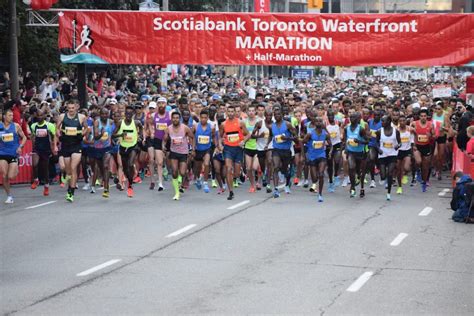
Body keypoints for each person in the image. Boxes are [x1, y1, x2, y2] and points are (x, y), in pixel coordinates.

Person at [56, 100, 90, 202]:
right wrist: (59, 135)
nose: (71, 110)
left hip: (76, 145)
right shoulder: (62, 117)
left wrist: (82, 134)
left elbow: (87, 128)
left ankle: (71, 192)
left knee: (73, 167)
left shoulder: (81, 117)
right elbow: (57, 128)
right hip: (66, 145)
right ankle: (68, 181)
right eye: (69, 108)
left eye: (72, 108)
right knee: (68, 170)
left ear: (76, 108)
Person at [219, 105, 249, 200]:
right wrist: (220, 145)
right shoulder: (223, 124)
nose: (231, 113)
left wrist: (243, 141)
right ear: (226, 112)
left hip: (238, 149)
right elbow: (220, 137)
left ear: (235, 112)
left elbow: (248, 134)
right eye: (229, 111)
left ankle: (240, 173)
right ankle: (231, 191)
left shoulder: (240, 123)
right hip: (228, 149)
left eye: (233, 111)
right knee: (228, 168)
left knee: (235, 173)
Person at [163, 111, 194, 201]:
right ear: (171, 119)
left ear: (179, 119)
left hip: (184, 152)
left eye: (177, 118)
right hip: (174, 152)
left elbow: (192, 137)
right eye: (174, 118)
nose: (175, 119)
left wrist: (192, 148)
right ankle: (177, 193)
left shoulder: (185, 128)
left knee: (183, 172)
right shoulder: (168, 129)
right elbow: (164, 140)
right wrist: (163, 146)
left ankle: (181, 179)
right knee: (174, 171)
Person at [113, 105, 143, 198]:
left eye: (130, 113)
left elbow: (141, 128)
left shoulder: (136, 122)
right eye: (127, 113)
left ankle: (130, 186)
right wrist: (121, 135)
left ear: (133, 114)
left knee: (130, 164)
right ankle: (129, 181)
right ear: (124, 114)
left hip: (133, 146)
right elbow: (113, 135)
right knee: (126, 169)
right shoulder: (120, 123)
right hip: (123, 147)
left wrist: (140, 136)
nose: (129, 115)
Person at [268, 106, 297, 198]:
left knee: (285, 170)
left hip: (286, 150)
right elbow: (270, 136)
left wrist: (287, 138)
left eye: (279, 114)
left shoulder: (288, 124)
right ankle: (276, 189)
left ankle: (288, 182)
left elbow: (296, 137)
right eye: (275, 115)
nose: (277, 116)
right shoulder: (272, 126)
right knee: (275, 167)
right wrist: (267, 145)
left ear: (282, 115)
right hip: (276, 149)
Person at [0, 109, 27, 203]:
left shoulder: (16, 126)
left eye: (12, 115)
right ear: (4, 116)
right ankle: (9, 196)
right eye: (9, 115)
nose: (11, 117)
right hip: (2, 153)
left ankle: (16, 168)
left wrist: (20, 146)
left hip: (13, 153)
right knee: (4, 175)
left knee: (11, 176)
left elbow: (24, 137)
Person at [303, 116, 332, 202]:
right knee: (314, 178)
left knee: (321, 174)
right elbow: (302, 142)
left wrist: (330, 152)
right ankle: (315, 183)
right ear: (314, 123)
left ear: (323, 123)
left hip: (321, 155)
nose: (319, 123)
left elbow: (330, 145)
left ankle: (320, 194)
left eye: (320, 121)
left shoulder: (325, 134)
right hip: (312, 157)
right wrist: (304, 154)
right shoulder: (310, 134)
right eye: (317, 121)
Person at [30, 109, 56, 196]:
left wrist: (54, 146)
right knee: (34, 164)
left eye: (41, 115)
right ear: (36, 116)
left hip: (46, 149)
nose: (39, 117)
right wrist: (33, 144)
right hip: (37, 149)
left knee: (45, 169)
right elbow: (33, 136)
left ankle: (46, 186)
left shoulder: (49, 125)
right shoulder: (33, 126)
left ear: (44, 116)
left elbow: (54, 137)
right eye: (38, 115)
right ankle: (36, 179)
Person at [148, 97, 171, 191]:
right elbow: (149, 123)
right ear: (157, 105)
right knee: (159, 162)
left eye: (163, 103)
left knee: (168, 161)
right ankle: (160, 183)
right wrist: (152, 131)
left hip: (169, 141)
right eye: (159, 103)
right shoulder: (153, 115)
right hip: (158, 140)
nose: (161, 105)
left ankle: (166, 167)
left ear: (166, 104)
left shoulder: (170, 115)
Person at [344, 112, 369, 198]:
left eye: (354, 117)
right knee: (351, 168)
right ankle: (352, 188)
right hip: (351, 152)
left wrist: (359, 141)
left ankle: (360, 183)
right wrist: (346, 149)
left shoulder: (361, 129)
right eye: (351, 117)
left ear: (358, 119)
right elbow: (345, 140)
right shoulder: (346, 128)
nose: (352, 119)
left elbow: (367, 141)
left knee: (359, 171)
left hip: (360, 153)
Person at [376, 115, 401, 201]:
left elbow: (400, 142)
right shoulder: (379, 131)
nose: (382, 123)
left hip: (392, 154)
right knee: (383, 175)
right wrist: (378, 149)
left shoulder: (396, 131)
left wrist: (398, 146)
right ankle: (383, 178)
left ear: (389, 121)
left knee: (390, 173)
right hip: (382, 155)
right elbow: (375, 143)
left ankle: (388, 193)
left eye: (383, 121)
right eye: (381, 121)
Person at [91, 107, 114, 198]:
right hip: (97, 148)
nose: (104, 116)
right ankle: (105, 179)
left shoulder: (111, 122)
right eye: (103, 114)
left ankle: (106, 188)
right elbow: (96, 137)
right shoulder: (96, 122)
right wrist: (101, 133)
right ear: (100, 115)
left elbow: (116, 130)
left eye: (106, 114)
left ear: (108, 114)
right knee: (101, 168)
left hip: (107, 148)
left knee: (105, 166)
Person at [411, 108, 434, 192]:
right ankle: (417, 172)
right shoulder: (414, 124)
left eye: (425, 116)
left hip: (426, 146)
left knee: (425, 167)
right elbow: (410, 135)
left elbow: (434, 136)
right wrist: (413, 144)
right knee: (418, 161)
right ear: (419, 117)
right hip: (417, 146)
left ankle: (424, 182)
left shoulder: (431, 125)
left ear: (427, 117)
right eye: (421, 116)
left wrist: (430, 135)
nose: (423, 117)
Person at [193, 109, 215, 193]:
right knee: (197, 168)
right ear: (199, 117)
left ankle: (205, 182)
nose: (203, 119)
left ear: (207, 118)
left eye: (205, 118)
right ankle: (198, 179)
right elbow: (193, 137)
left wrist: (216, 146)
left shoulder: (211, 127)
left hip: (207, 149)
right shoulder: (195, 126)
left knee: (206, 164)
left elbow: (213, 137)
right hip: (198, 149)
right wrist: (193, 148)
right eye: (202, 118)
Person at [243, 103, 261, 193]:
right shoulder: (244, 122)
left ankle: (259, 179)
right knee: (249, 168)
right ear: (247, 112)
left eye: (252, 111)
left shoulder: (259, 121)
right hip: (247, 147)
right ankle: (252, 185)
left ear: (255, 112)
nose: (251, 112)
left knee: (254, 167)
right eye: (249, 111)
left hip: (257, 147)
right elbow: (242, 133)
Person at [396, 115, 413, 194]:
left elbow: (416, 135)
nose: (402, 122)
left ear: (406, 121)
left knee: (406, 167)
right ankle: (399, 187)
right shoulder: (396, 130)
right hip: (398, 151)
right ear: (399, 122)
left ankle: (405, 174)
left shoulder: (410, 129)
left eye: (404, 120)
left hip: (407, 150)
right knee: (399, 170)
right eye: (401, 121)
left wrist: (414, 145)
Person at [326, 110, 343, 192]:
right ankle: (330, 182)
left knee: (337, 160)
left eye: (332, 115)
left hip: (337, 144)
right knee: (329, 165)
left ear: (334, 116)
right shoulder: (325, 125)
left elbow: (343, 130)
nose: (330, 117)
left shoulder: (338, 123)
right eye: (329, 115)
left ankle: (336, 175)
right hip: (329, 146)